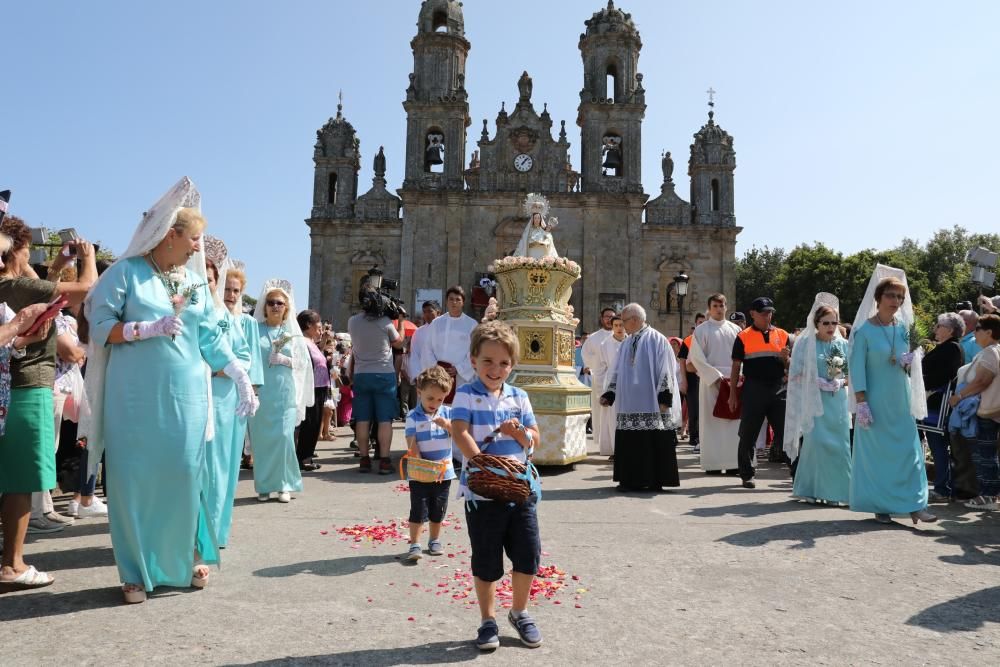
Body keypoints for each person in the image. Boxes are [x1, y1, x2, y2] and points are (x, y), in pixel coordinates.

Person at [82, 178, 259, 603]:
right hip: (135, 399)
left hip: (187, 401)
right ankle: (134, 572)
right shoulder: (126, 273)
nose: (199, 248)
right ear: (170, 235)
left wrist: (238, 375)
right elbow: (99, 325)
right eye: (194, 239)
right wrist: (146, 328)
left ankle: (184, 557)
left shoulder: (195, 284)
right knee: (134, 481)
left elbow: (211, 340)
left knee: (183, 474)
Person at [0, 216, 98, 535]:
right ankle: (14, 557)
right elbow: (86, 289)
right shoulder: (14, 286)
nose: (29, 257)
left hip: (24, 385)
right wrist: (89, 258)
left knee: (25, 469)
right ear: (13, 251)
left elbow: (40, 288)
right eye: (26, 249)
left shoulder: (13, 285)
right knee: (25, 474)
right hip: (31, 385)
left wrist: (58, 265)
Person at [451, 321, 543, 651]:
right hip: (482, 492)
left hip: (519, 490)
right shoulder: (465, 393)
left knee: (527, 553)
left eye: (503, 363)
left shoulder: (519, 396)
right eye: (487, 361)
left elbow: (534, 438)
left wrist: (519, 433)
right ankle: (487, 619)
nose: (495, 369)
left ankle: (519, 611)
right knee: (487, 559)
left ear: (512, 365)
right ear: (474, 360)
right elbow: (459, 430)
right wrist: (479, 463)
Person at [848, 266, 935, 525]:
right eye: (891, 296)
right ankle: (880, 505)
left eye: (900, 297)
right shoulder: (864, 331)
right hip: (874, 400)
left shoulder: (904, 329)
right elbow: (857, 369)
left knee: (909, 453)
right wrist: (861, 402)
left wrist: (912, 361)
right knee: (878, 456)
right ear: (879, 298)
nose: (896, 302)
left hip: (900, 400)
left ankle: (916, 505)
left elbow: (909, 366)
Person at [0, 264, 60, 589]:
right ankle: (11, 564)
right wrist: (15, 326)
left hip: (13, 388)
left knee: (15, 479)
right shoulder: (10, 286)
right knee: (20, 479)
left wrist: (20, 338)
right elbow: (79, 289)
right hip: (21, 390)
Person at [204, 264, 263, 547]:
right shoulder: (209, 313)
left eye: (235, 291)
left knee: (225, 466)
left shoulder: (245, 322)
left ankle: (217, 529)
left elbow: (247, 357)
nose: (230, 295)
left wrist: (248, 386)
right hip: (203, 394)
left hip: (231, 397)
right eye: (226, 288)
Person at [601, 303, 682, 492]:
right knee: (630, 441)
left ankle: (655, 480)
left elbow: (667, 370)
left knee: (653, 440)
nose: (623, 325)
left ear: (635, 320)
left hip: (651, 402)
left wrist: (664, 398)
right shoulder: (627, 343)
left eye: (625, 321)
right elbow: (617, 370)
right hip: (629, 402)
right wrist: (610, 393)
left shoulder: (657, 340)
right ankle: (630, 480)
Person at [785, 295, 852, 505]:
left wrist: (840, 383)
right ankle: (811, 489)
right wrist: (817, 381)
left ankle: (836, 492)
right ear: (816, 323)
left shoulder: (843, 344)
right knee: (817, 444)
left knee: (838, 446)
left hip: (837, 401)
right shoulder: (805, 343)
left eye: (834, 323)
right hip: (815, 402)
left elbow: (851, 373)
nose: (831, 327)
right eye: (826, 323)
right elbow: (795, 373)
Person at [249, 279, 312, 501]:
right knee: (263, 440)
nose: (275, 306)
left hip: (285, 392)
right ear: (264, 306)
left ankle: (285, 484)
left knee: (285, 437)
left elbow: (303, 363)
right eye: (271, 302)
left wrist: (284, 360)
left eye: (279, 303)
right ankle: (265, 485)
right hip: (262, 392)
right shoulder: (254, 329)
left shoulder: (292, 332)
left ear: (286, 307)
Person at [730, 297, 792, 489]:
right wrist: (733, 393)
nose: (768, 315)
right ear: (753, 314)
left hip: (778, 388)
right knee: (748, 433)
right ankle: (747, 474)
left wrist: (786, 359)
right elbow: (735, 366)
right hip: (753, 388)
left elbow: (790, 367)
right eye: (764, 312)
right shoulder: (743, 336)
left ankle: (797, 473)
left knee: (786, 432)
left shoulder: (783, 334)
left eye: (770, 312)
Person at [348, 286, 407, 473]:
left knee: (363, 419)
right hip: (383, 374)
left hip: (361, 375)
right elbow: (399, 342)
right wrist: (402, 321)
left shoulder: (352, 321)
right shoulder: (385, 322)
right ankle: (384, 460)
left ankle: (364, 459)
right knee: (384, 420)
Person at [403, 366, 456, 561]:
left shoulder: (448, 414)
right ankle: (415, 543)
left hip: (444, 472)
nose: (435, 403)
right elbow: (412, 443)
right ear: (419, 393)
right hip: (420, 472)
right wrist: (422, 465)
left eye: (440, 399)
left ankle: (434, 539)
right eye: (430, 398)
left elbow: (458, 435)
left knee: (438, 508)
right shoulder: (412, 416)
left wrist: (448, 426)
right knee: (418, 508)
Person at [948, 313, 1000, 510]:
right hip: (991, 409)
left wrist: (959, 397)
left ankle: (988, 496)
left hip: (987, 410)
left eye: (978, 329)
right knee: (986, 454)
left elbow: (982, 381)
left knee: (984, 455)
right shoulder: (994, 350)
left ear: (988, 332)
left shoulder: (990, 352)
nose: (975, 333)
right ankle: (988, 495)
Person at [688, 294, 743, 472]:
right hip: (710, 382)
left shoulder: (736, 330)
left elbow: (742, 357)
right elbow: (696, 358)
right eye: (715, 306)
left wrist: (739, 378)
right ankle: (713, 464)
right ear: (709, 308)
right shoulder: (702, 330)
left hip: (734, 382)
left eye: (722, 305)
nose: (719, 309)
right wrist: (715, 377)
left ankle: (734, 463)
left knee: (733, 423)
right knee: (711, 423)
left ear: (726, 307)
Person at [921, 312, 966, 502]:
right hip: (932, 402)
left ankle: (942, 488)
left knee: (938, 445)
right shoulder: (946, 347)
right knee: (935, 444)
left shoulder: (953, 348)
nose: (935, 329)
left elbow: (944, 376)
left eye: (939, 326)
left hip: (937, 404)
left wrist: (920, 380)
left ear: (949, 330)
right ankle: (941, 486)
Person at [420, 286, 477, 403]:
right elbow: (427, 348)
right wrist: (436, 368)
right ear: (446, 301)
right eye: (451, 299)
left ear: (463, 302)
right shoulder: (436, 323)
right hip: (437, 374)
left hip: (461, 377)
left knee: (460, 407)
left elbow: (474, 351)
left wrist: (459, 369)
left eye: (458, 299)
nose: (454, 302)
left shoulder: (472, 325)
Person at [296, 309, 329, 471]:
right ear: (308, 324)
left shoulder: (310, 341)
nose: (321, 328)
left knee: (314, 423)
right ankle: (303, 457)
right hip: (310, 388)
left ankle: (307, 455)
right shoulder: (302, 342)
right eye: (319, 324)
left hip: (319, 387)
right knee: (309, 423)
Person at [581, 307, 616, 454]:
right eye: (607, 316)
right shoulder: (594, 338)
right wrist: (598, 368)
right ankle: (604, 444)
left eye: (612, 317)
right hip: (600, 379)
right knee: (601, 412)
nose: (609, 319)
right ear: (601, 318)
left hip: (617, 381)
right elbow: (586, 355)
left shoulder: (621, 335)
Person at [596, 316, 627, 459]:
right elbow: (600, 368)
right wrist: (602, 390)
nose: (619, 328)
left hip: (629, 382)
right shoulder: (605, 344)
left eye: (621, 325)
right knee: (613, 418)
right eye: (616, 325)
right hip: (611, 384)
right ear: (612, 327)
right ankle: (616, 450)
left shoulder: (631, 341)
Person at [677, 312, 706, 447]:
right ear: (696, 324)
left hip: (706, 377)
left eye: (704, 322)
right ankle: (694, 438)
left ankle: (704, 437)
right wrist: (684, 380)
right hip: (692, 379)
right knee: (694, 409)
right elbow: (682, 361)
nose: (702, 325)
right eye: (700, 322)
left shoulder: (710, 338)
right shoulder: (688, 340)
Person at [514, 193, 558, 260]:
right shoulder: (529, 231)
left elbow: (549, 241)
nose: (537, 220)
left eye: (538, 218)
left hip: (542, 254)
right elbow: (524, 243)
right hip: (532, 255)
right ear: (533, 219)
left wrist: (545, 238)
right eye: (535, 218)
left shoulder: (544, 230)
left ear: (540, 219)